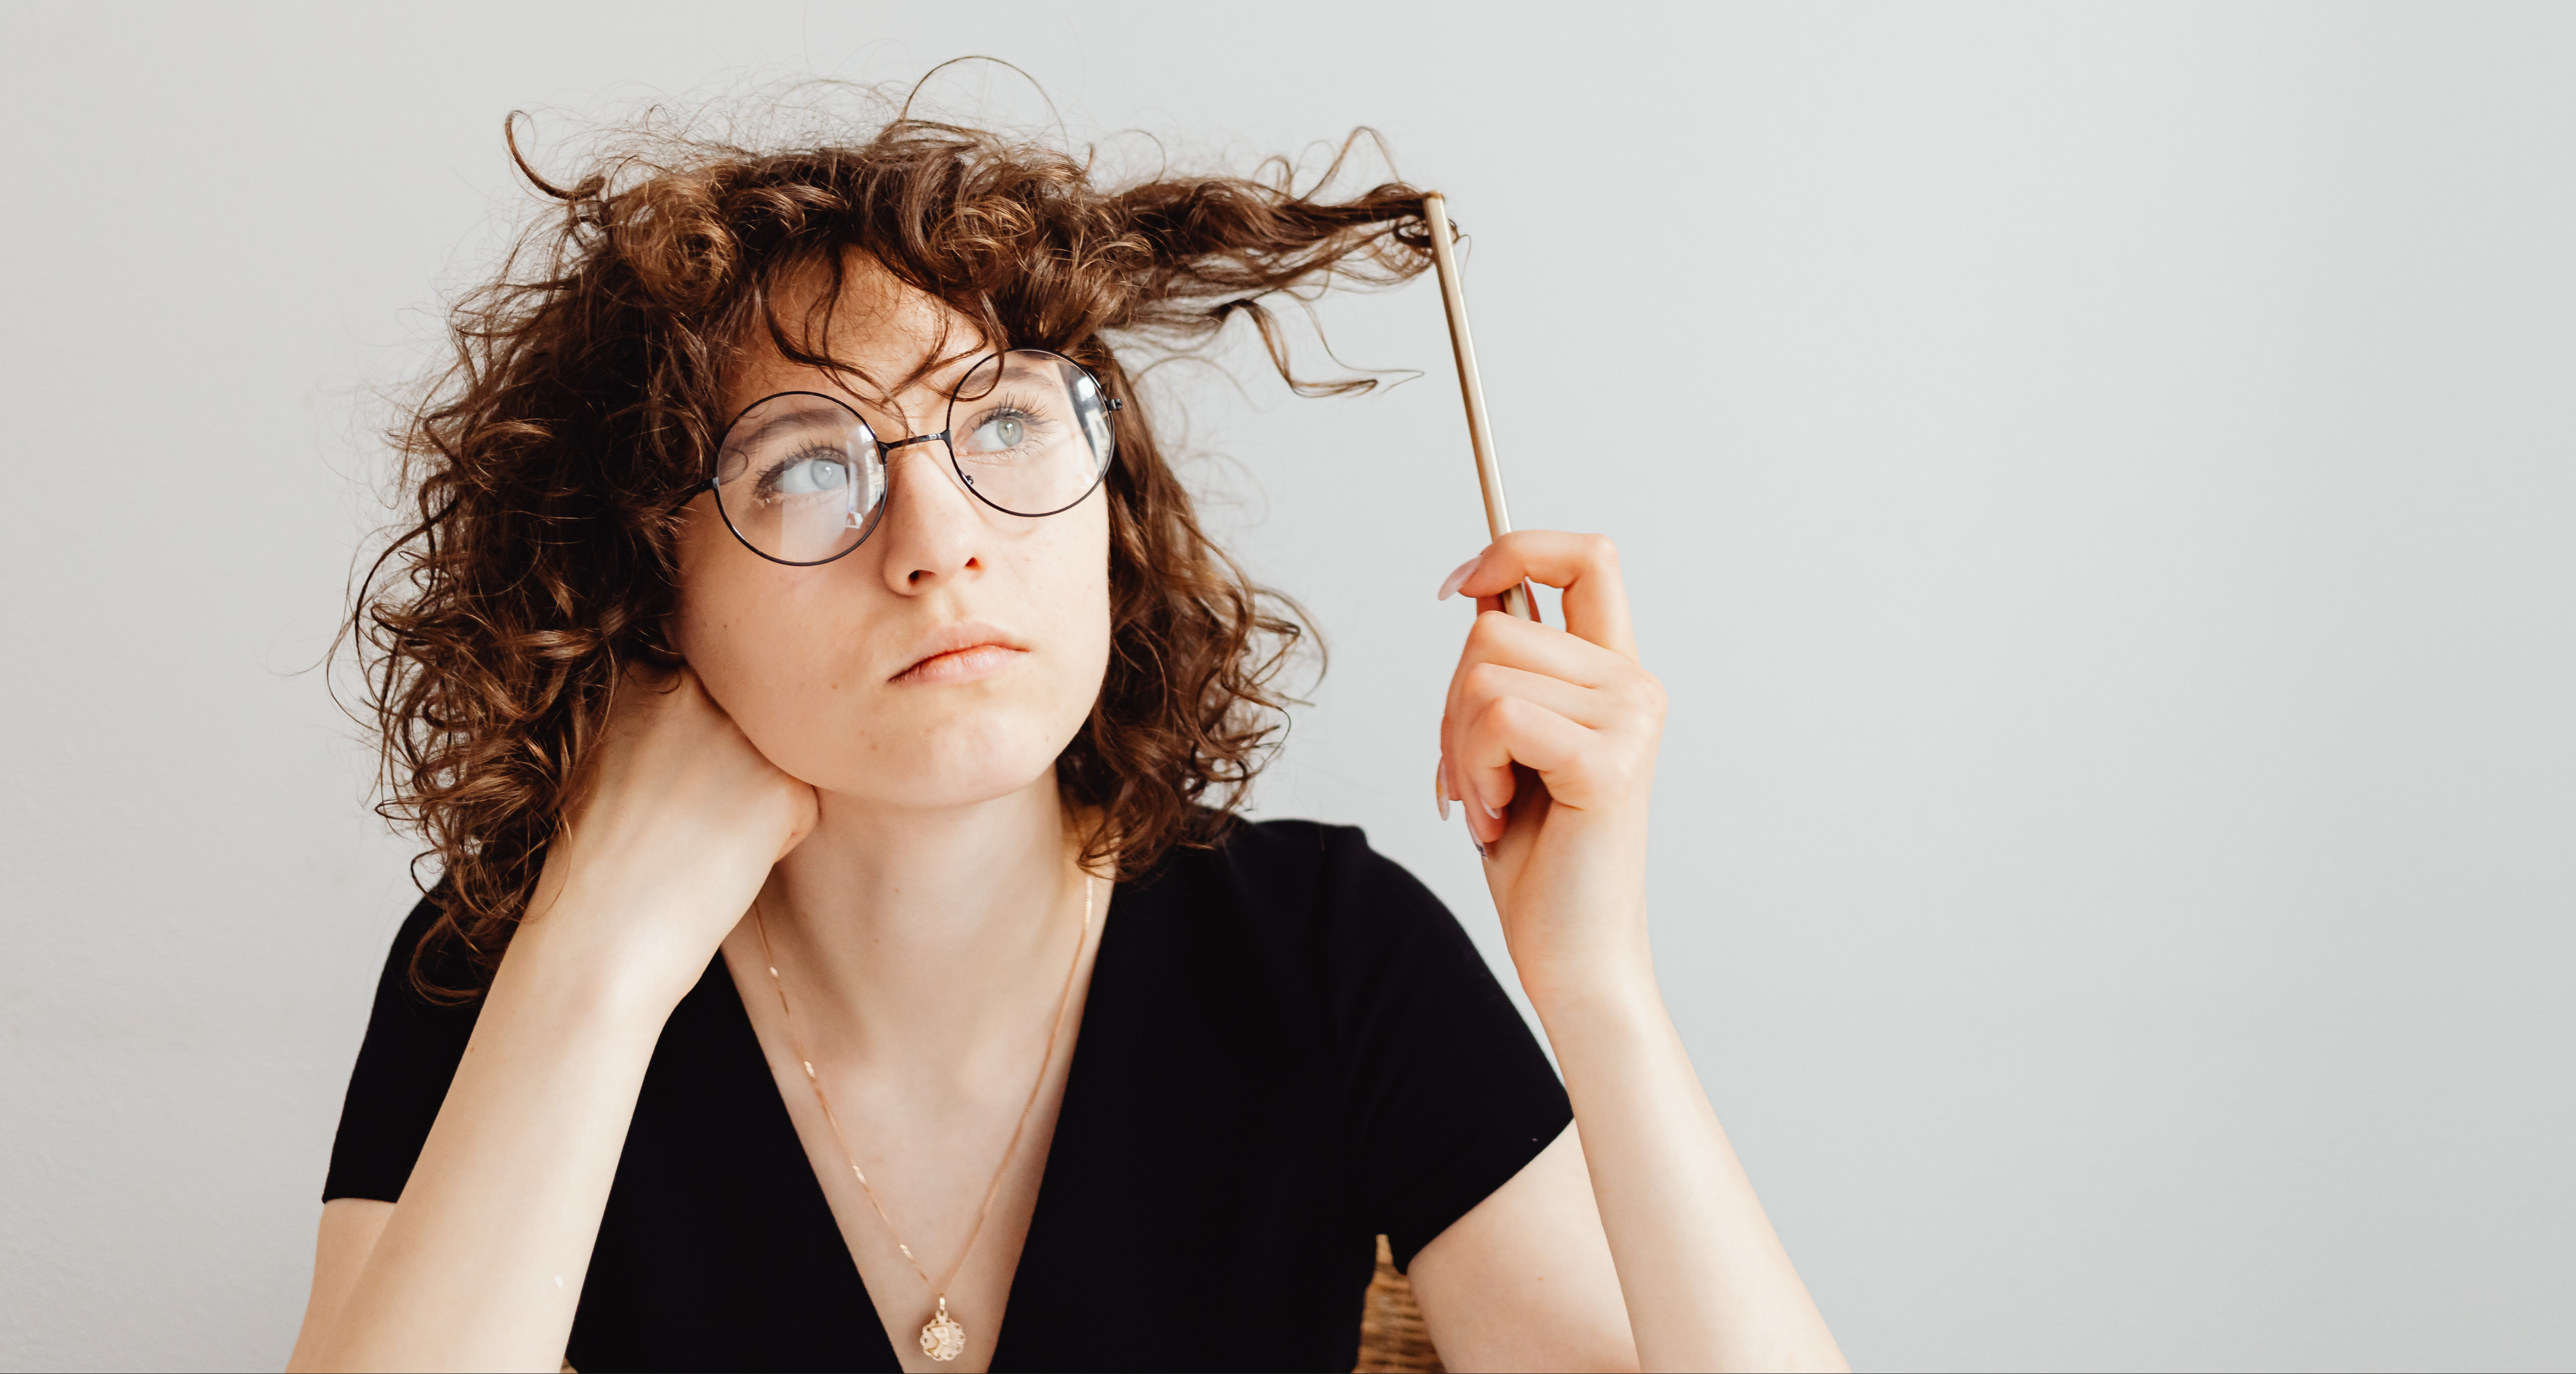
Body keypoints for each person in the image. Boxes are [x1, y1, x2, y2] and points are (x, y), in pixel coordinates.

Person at [286, 103, 1846, 1374]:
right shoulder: (498, 965)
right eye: (807, 466)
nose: (939, 540)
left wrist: (1599, 986)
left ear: (1110, 502)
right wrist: (598, 957)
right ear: (644, 585)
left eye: (1007, 420)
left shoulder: (1326, 950)